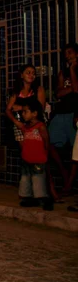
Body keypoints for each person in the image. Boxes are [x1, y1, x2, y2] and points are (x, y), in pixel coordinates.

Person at [5, 63, 63, 201]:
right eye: (28, 72)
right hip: (20, 128)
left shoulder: (38, 90)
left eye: (33, 73)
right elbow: (8, 109)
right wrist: (16, 122)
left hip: (36, 127)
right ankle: (30, 192)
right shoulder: (16, 91)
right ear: (21, 75)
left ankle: (51, 190)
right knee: (27, 158)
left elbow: (40, 108)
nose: (31, 75)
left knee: (42, 158)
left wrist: (21, 107)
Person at [9, 98, 54, 210]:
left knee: (38, 180)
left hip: (38, 159)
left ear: (34, 113)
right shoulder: (26, 127)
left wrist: (46, 155)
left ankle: (43, 200)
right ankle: (29, 198)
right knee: (26, 180)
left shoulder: (40, 127)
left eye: (25, 111)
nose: (23, 114)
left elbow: (46, 142)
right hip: (27, 159)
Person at [56, 43, 78, 195]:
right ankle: (65, 175)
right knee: (50, 143)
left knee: (76, 153)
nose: (67, 56)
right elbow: (58, 93)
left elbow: (76, 90)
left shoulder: (74, 70)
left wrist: (72, 70)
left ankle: (69, 184)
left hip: (74, 112)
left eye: (70, 52)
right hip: (63, 111)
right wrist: (70, 89)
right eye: (66, 53)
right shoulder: (62, 72)